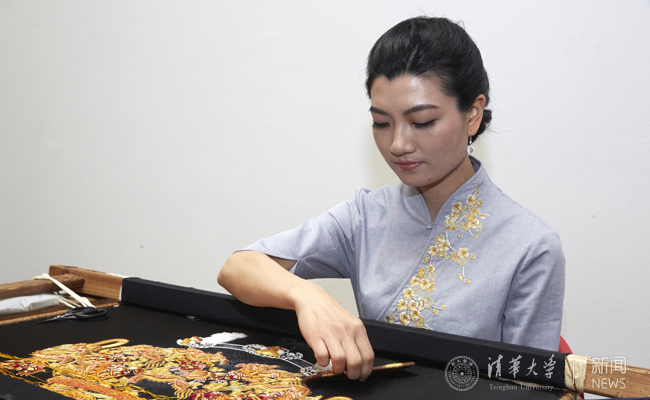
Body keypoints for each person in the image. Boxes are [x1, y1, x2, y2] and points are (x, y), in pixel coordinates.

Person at [218, 16, 565, 382]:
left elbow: (531, 385)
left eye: (423, 122)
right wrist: (306, 295)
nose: (398, 144)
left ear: (473, 115)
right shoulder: (367, 215)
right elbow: (238, 268)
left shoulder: (530, 246)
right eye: (382, 123)